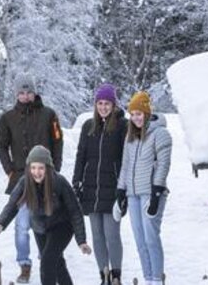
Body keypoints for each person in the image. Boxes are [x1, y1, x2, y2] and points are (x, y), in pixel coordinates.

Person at [0, 145, 92, 285]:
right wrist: (1, 223)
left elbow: (75, 211)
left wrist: (81, 240)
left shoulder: (59, 182)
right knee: (57, 263)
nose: (37, 172)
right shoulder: (25, 182)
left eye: (41, 168)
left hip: (62, 226)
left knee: (47, 261)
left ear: (47, 168)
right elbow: (12, 205)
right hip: (40, 227)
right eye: (33, 167)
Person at [0, 75, 64, 283]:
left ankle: (47, 259)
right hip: (21, 179)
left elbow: (58, 142)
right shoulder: (8, 118)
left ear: (34, 92)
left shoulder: (49, 115)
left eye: (29, 92)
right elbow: (1, 145)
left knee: (46, 222)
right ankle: (24, 264)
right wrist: (9, 170)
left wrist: (54, 170)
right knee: (22, 225)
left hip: (46, 179)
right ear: (16, 94)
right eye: (21, 93)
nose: (25, 96)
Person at [72, 83, 127, 285]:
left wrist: (124, 187)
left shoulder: (122, 126)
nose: (103, 107)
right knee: (97, 235)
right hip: (91, 188)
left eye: (107, 103)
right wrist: (76, 181)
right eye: (100, 103)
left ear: (114, 105)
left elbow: (125, 158)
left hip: (113, 188)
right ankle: (103, 275)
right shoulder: (88, 126)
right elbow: (81, 156)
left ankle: (116, 275)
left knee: (112, 234)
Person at [116, 91, 172, 285]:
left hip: (151, 193)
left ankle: (157, 279)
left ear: (147, 113)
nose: (135, 118)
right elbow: (125, 165)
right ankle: (148, 278)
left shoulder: (160, 133)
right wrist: (120, 192)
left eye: (139, 113)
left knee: (151, 238)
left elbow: (163, 165)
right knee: (140, 240)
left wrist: (156, 192)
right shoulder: (130, 137)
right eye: (132, 114)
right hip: (133, 195)